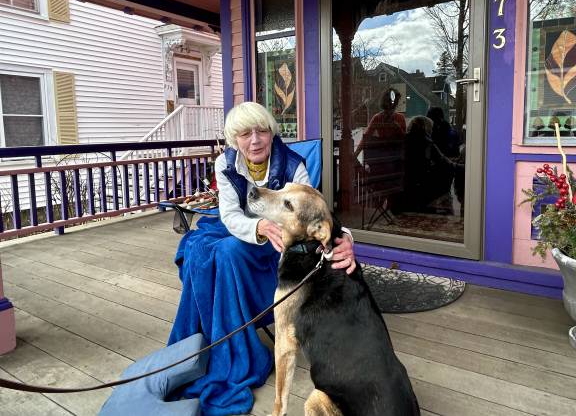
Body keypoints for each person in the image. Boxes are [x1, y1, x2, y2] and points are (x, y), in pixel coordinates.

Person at [168, 102, 355, 415]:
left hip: (276, 249)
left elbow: (314, 210)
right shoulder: (224, 164)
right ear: (234, 139)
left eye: (261, 131)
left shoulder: (294, 166)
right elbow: (228, 214)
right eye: (245, 133)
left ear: (271, 133)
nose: (254, 140)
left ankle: (234, 349)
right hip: (242, 231)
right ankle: (214, 341)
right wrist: (258, 226)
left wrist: (344, 237)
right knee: (204, 251)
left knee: (225, 254)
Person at [354, 87, 406, 158]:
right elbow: (366, 137)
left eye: (395, 102)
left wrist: (397, 128)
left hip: (396, 156)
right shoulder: (377, 118)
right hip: (383, 156)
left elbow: (405, 140)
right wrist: (356, 154)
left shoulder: (400, 118)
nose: (394, 105)